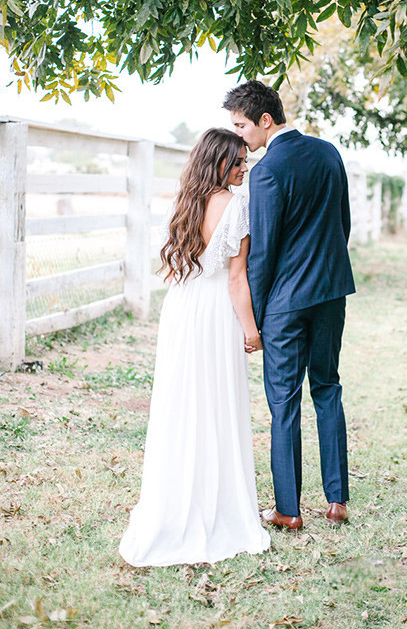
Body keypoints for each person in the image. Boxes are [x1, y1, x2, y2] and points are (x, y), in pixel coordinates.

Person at [119, 128, 270, 566]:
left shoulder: (183, 201)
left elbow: (178, 267)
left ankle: (176, 502)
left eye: (246, 160)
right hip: (216, 313)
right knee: (217, 405)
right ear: (220, 163)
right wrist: (251, 331)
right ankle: (217, 507)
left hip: (182, 310)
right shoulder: (236, 206)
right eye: (239, 161)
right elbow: (236, 278)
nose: (246, 167)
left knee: (182, 405)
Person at [223, 81, 355, 530]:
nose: (239, 135)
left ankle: (288, 510)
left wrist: (253, 320)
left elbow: (262, 254)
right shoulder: (329, 153)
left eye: (241, 125)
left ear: (265, 120)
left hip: (283, 303)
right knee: (328, 388)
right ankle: (336, 500)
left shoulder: (266, 171)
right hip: (331, 292)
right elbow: (343, 223)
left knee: (284, 403)